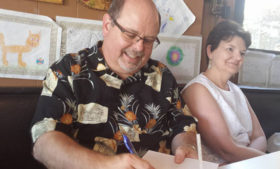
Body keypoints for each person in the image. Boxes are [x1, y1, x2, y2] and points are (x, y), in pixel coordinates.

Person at [30, 0, 198, 168]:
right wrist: (107, 165)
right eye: (130, 34)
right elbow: (44, 143)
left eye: (148, 40)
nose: (139, 47)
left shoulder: (163, 76)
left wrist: (186, 146)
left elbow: (183, 125)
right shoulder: (69, 70)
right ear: (107, 25)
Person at [181, 20, 267, 164]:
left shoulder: (236, 90)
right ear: (210, 51)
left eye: (242, 53)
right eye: (230, 49)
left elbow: (260, 137)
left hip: (248, 164)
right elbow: (226, 150)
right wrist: (268, 161)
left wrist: (254, 162)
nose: (238, 57)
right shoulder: (198, 89)